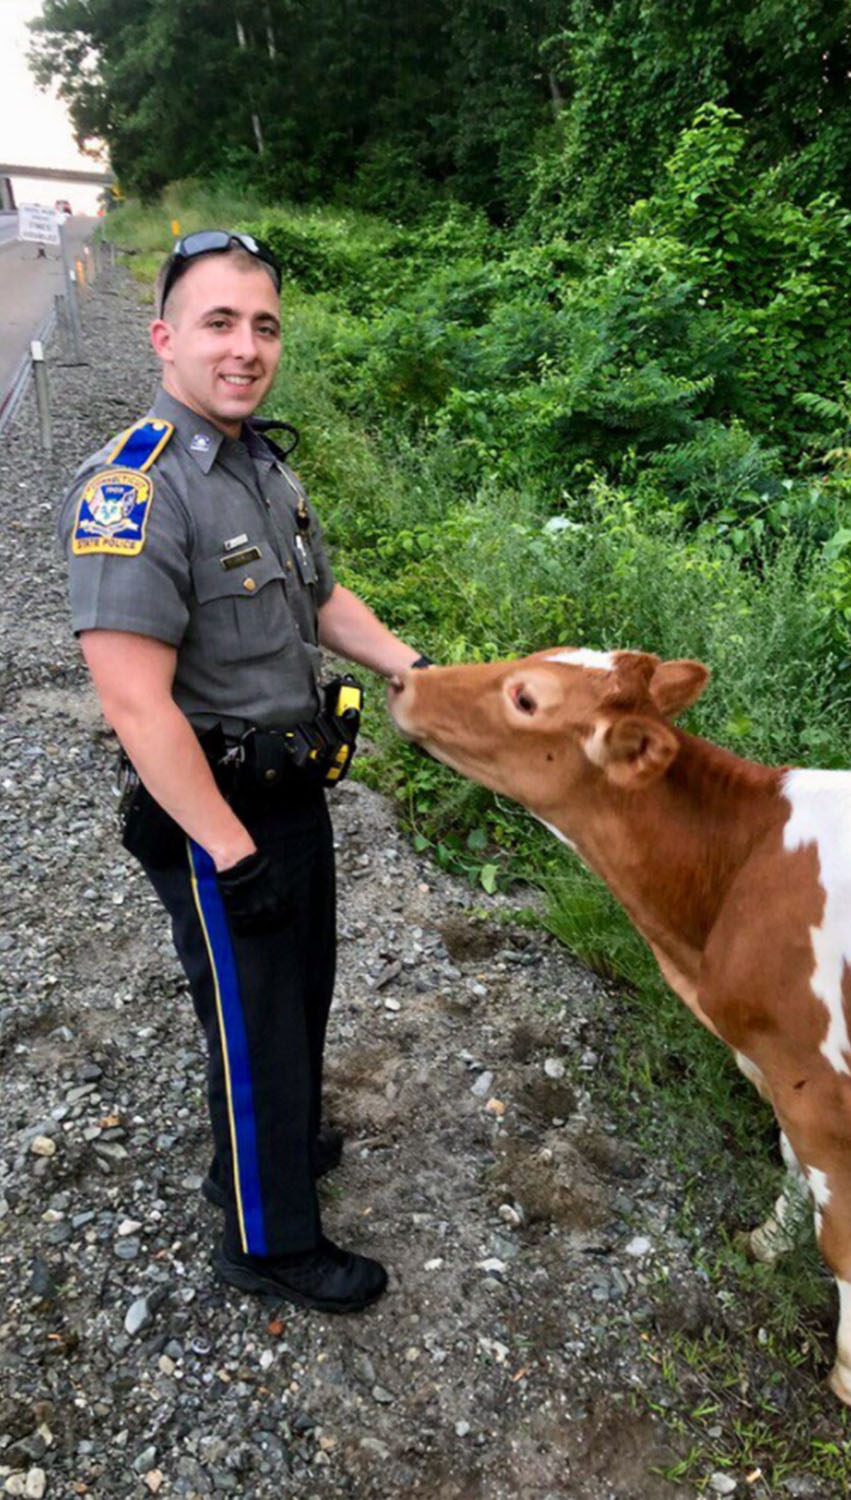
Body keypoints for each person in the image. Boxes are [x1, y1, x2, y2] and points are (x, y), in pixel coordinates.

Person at [59, 230, 431, 1313]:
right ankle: (267, 1242)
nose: (246, 347)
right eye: (220, 322)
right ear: (165, 338)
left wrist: (417, 670)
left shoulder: (262, 465)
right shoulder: (133, 491)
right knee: (253, 1011)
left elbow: (321, 600)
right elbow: (132, 699)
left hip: (293, 787)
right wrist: (228, 849)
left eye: (263, 325)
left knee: (292, 997)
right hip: (216, 811)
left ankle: (267, 1150)